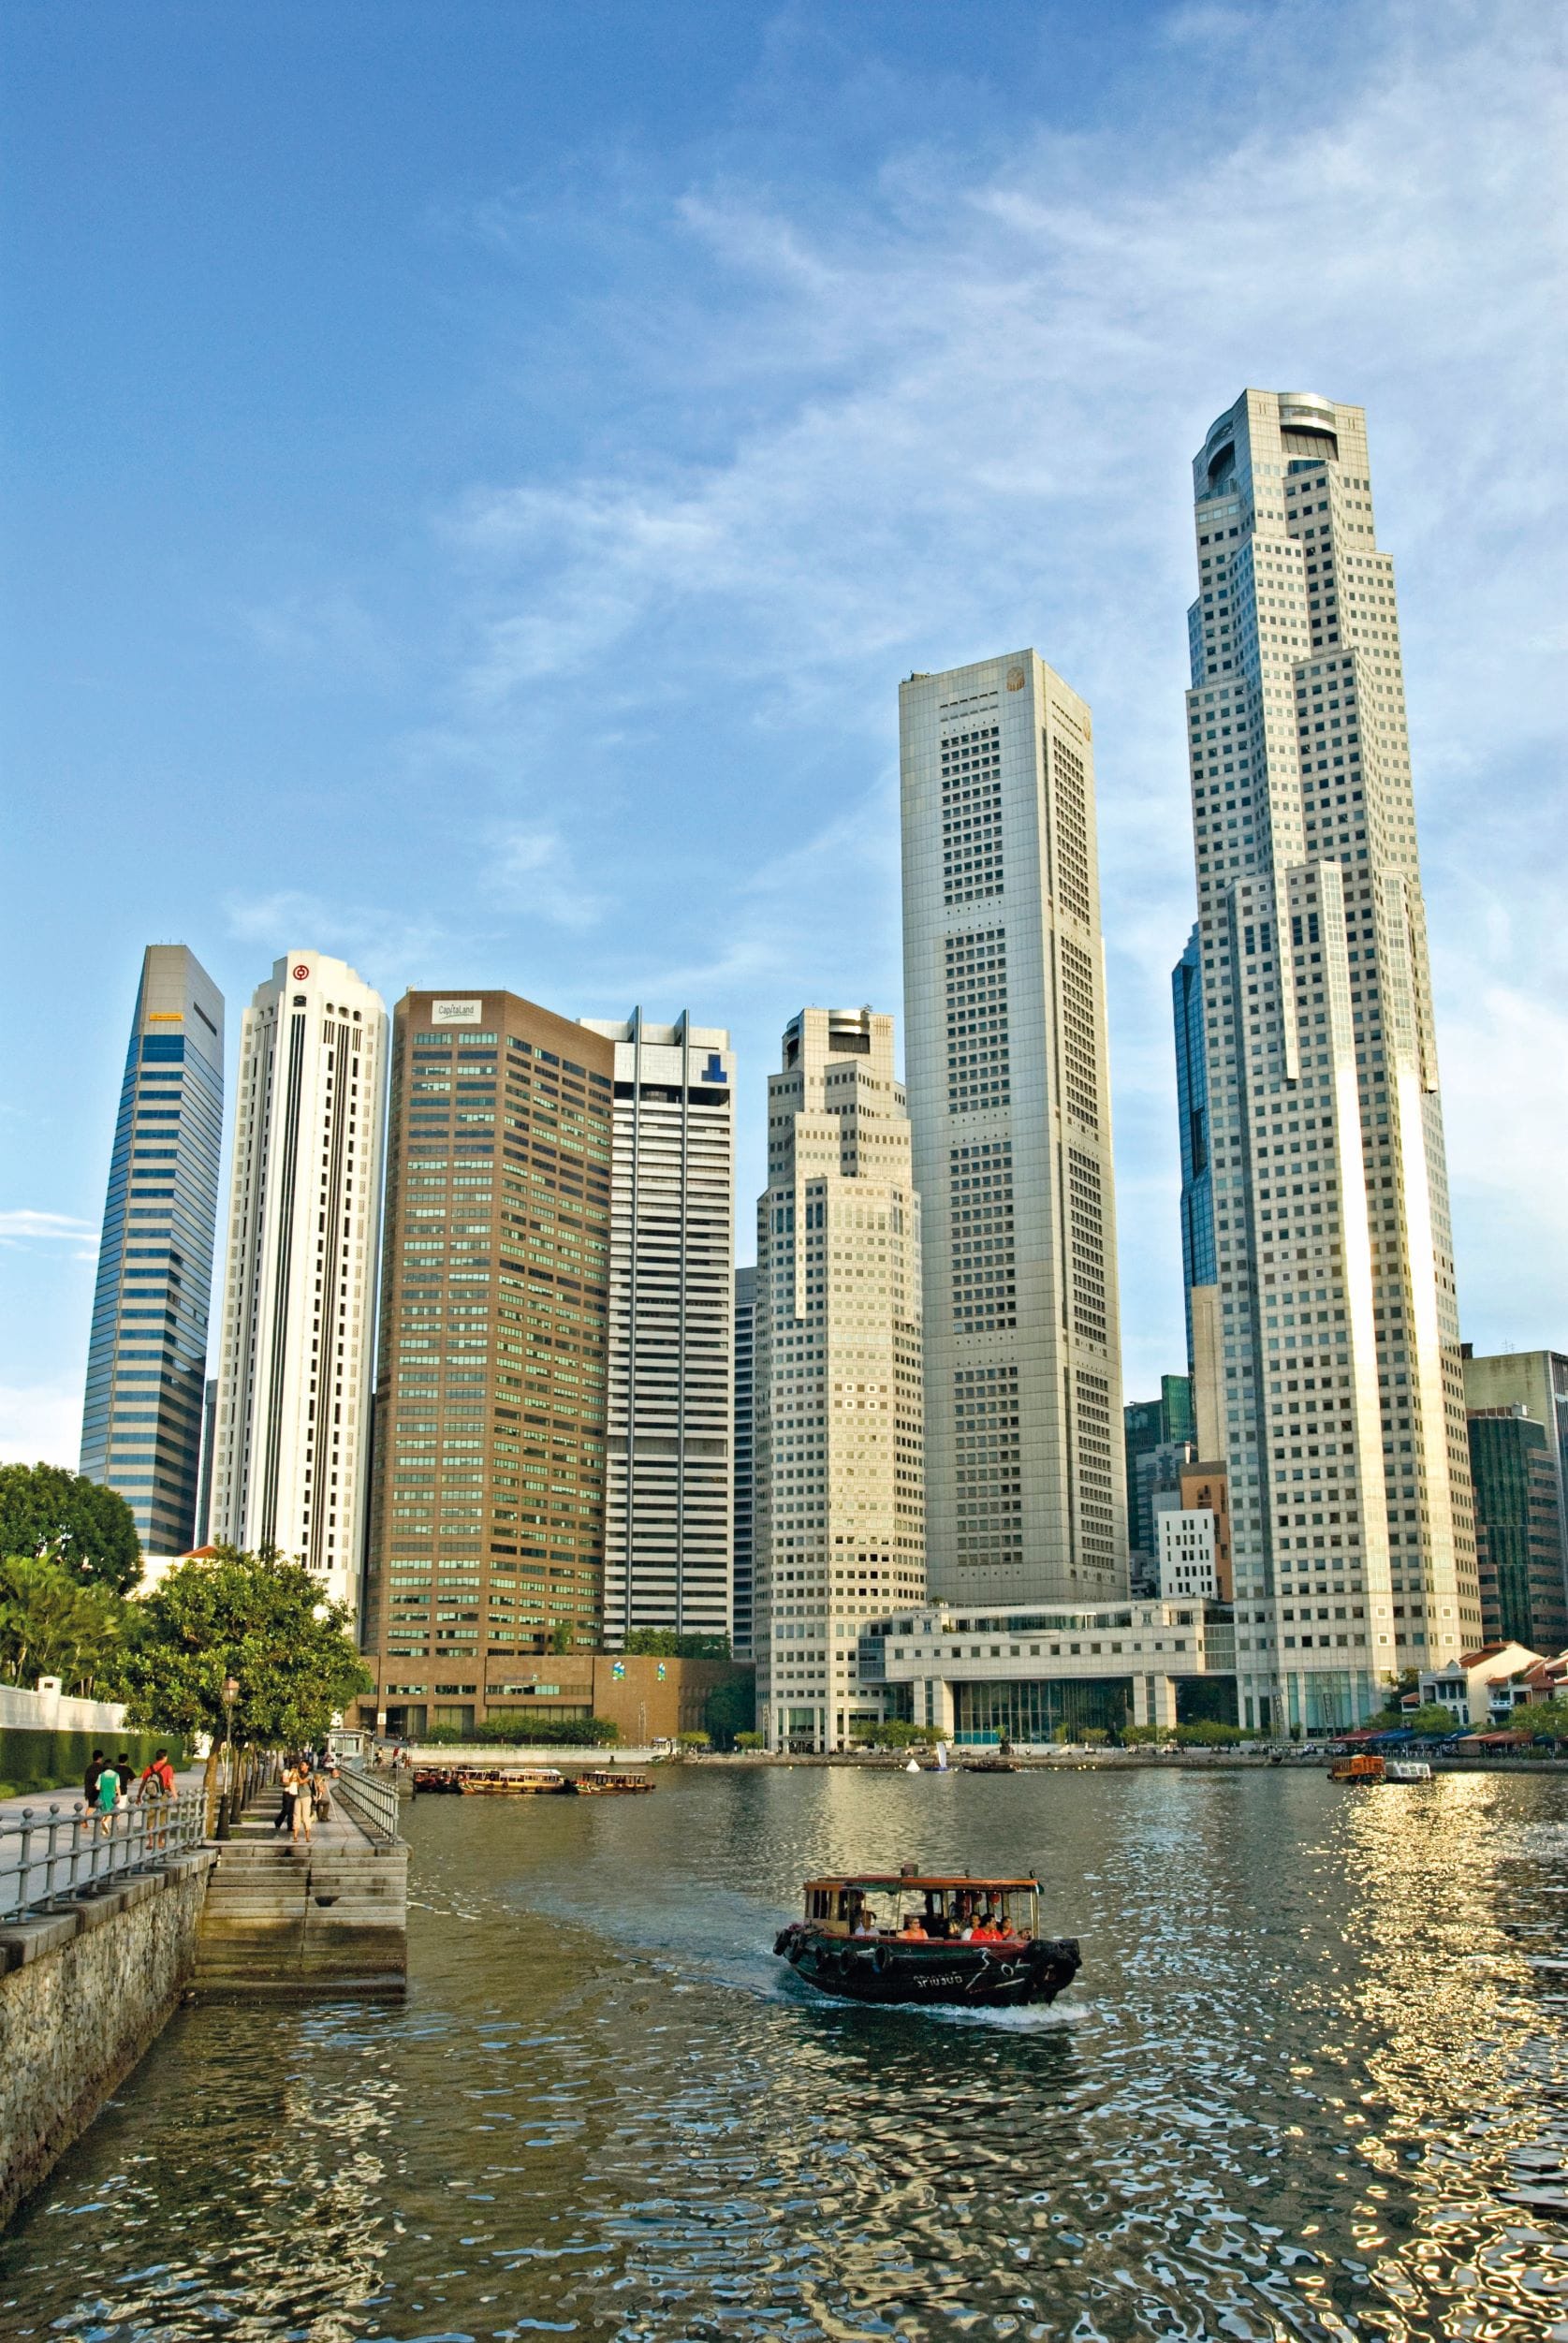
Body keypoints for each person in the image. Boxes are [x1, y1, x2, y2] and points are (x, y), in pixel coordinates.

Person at [95, 1756, 122, 1835]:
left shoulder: (101, 1775)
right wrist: (119, 1796)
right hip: (112, 1795)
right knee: (111, 1811)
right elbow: (117, 1787)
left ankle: (104, 1830)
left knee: (103, 1811)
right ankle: (106, 1822)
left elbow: (97, 1787)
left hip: (102, 1795)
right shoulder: (116, 1775)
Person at [292, 1761, 315, 1844]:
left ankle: (307, 1837)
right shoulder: (298, 1774)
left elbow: (302, 1782)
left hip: (306, 1797)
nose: (301, 1766)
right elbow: (294, 1783)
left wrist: (297, 1775)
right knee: (296, 1816)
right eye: (300, 1764)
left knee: (306, 1817)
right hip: (298, 1797)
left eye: (303, 1765)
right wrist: (293, 1774)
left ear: (307, 1766)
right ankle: (295, 1836)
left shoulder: (310, 1775)